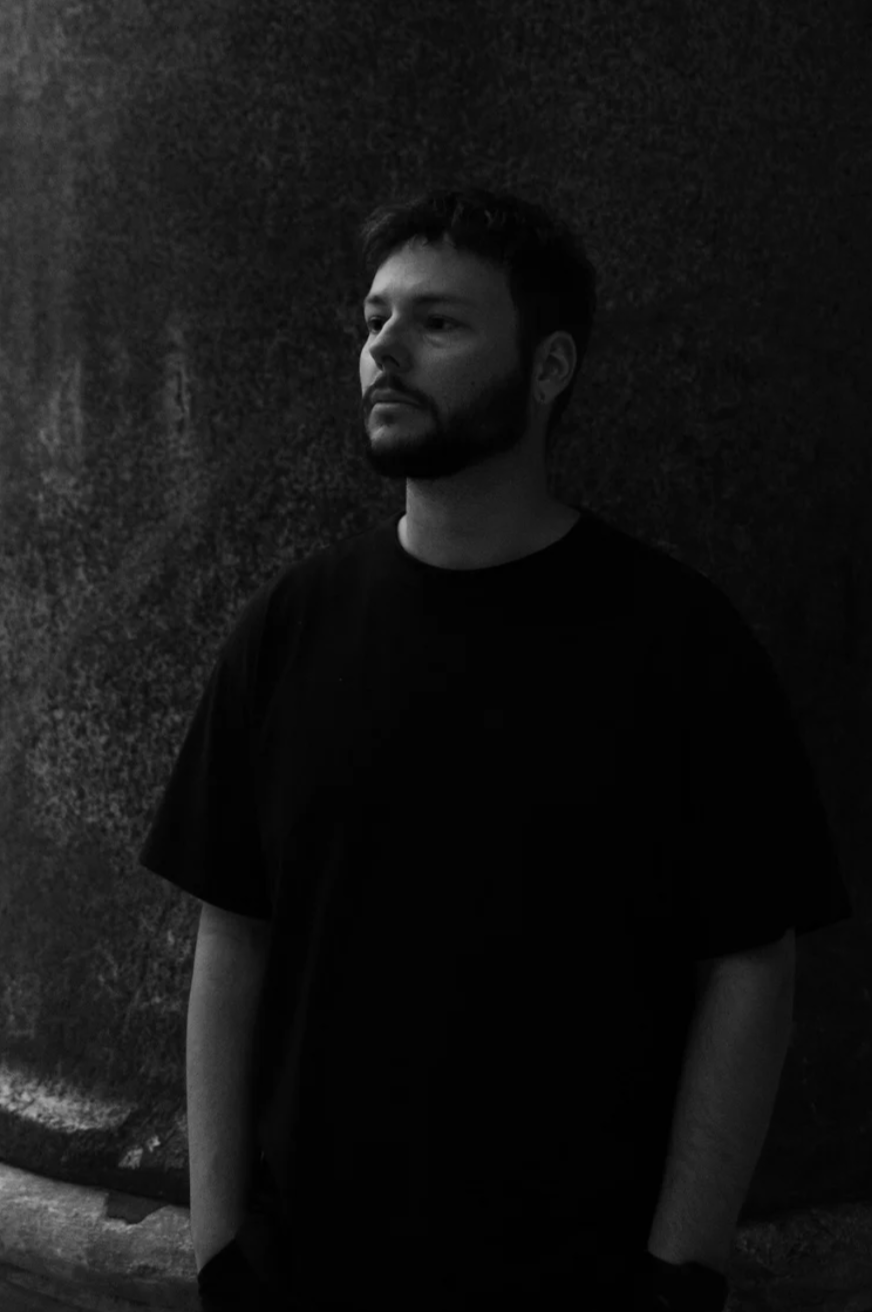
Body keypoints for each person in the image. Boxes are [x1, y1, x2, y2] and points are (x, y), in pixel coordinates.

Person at [139, 186, 853, 1312]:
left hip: (579, 1279)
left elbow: (750, 964)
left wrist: (678, 1271)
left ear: (550, 364)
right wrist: (219, 1250)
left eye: (438, 322)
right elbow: (231, 934)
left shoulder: (680, 644)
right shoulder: (290, 630)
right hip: (308, 1277)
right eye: (373, 318)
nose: (383, 347)